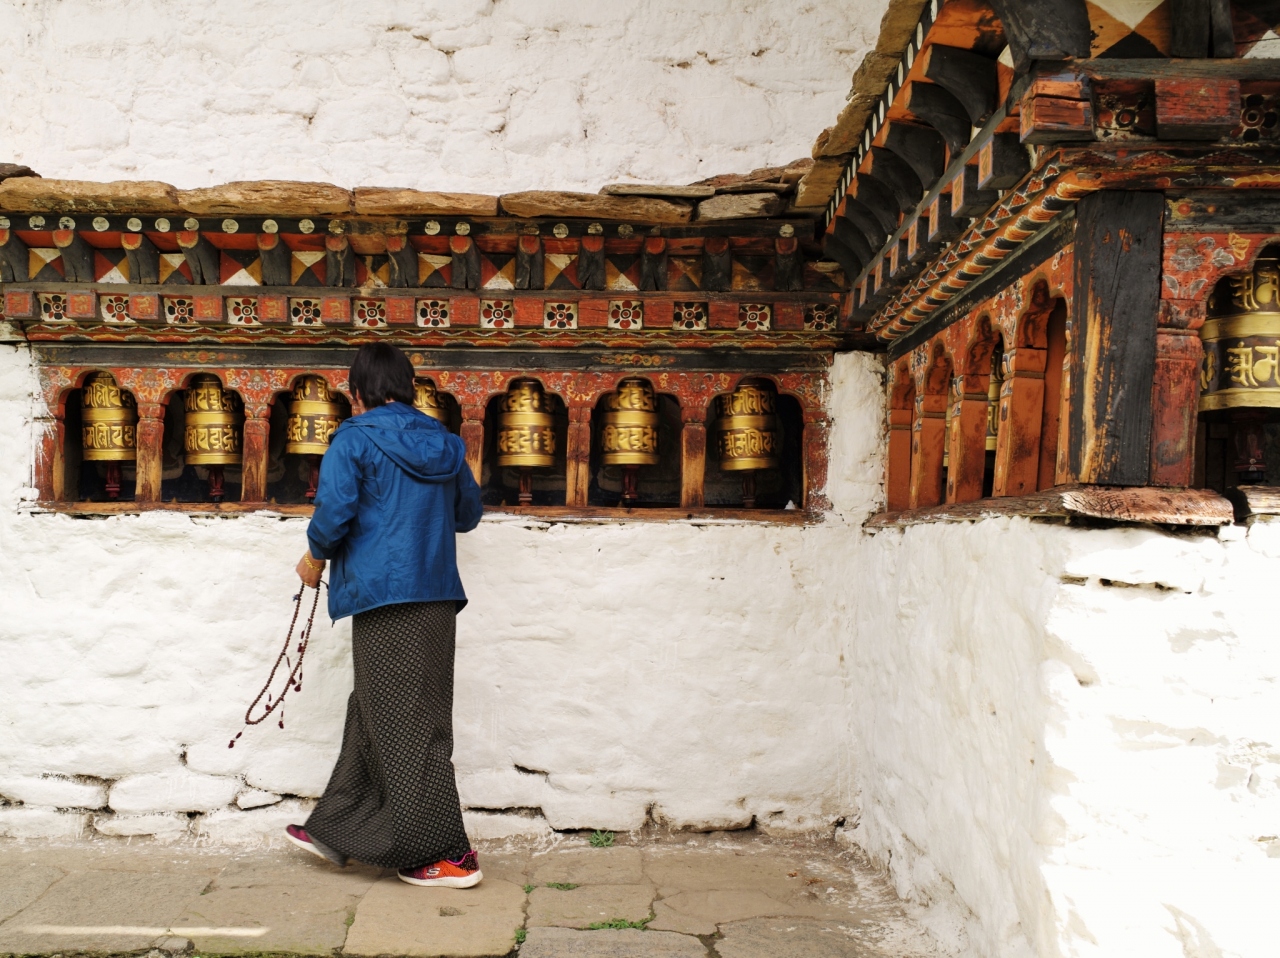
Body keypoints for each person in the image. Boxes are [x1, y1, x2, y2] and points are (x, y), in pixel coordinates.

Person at [283, 343, 485, 888]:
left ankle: (448, 855)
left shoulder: (353, 438)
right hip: (437, 597)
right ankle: (338, 828)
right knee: (378, 708)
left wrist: (314, 556)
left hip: (383, 597)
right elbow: (468, 514)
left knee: (406, 721)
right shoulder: (446, 443)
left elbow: (334, 512)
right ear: (410, 386)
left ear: (357, 391)